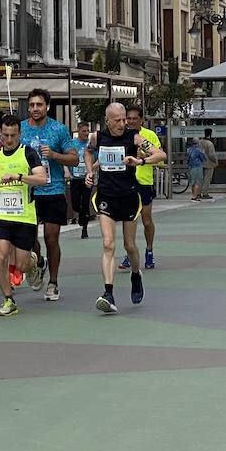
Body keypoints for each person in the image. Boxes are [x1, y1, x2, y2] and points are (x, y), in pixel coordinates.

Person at [85, 103, 165, 314]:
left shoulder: (134, 138)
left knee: (129, 246)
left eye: (124, 119)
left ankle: (136, 274)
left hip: (129, 197)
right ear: (107, 120)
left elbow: (161, 155)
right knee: (108, 244)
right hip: (106, 197)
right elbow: (87, 152)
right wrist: (89, 171)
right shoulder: (97, 137)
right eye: (118, 120)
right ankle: (108, 293)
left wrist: (139, 161)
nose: (123, 123)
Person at [0, 114, 48, 316]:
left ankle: (36, 262)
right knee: (0, 257)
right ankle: (8, 299)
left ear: (19, 134)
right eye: (5, 135)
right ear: (0, 133)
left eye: (13, 135)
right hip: (1, 215)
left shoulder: (28, 153)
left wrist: (19, 177)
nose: (8, 139)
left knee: (22, 265)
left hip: (24, 217)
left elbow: (42, 179)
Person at [21, 88, 79, 302]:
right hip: (28, 190)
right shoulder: (20, 129)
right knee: (28, 238)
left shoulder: (58, 129)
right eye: (32, 105)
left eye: (39, 105)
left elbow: (74, 159)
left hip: (53, 189)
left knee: (51, 237)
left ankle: (53, 282)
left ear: (47, 106)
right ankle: (39, 263)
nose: (35, 108)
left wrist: (54, 155)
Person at [122, 104, 164, 270]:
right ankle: (129, 252)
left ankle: (149, 250)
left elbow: (161, 159)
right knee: (130, 220)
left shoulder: (149, 136)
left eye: (135, 118)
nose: (131, 122)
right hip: (126, 183)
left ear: (142, 120)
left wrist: (144, 156)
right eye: (129, 119)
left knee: (146, 220)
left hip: (144, 183)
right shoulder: (122, 135)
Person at [68, 120, 93, 239]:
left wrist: (93, 168)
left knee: (86, 202)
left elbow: (98, 157)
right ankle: (80, 212)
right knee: (76, 205)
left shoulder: (91, 144)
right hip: (75, 178)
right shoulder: (72, 144)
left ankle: (85, 228)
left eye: (88, 131)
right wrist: (66, 170)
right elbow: (66, 157)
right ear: (78, 131)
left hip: (88, 178)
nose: (86, 133)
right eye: (84, 131)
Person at [199, 129, 218, 199]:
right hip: (209, 163)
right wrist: (216, 161)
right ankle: (205, 193)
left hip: (200, 163)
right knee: (207, 179)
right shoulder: (210, 143)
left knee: (200, 179)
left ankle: (198, 193)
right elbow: (211, 154)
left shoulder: (199, 142)